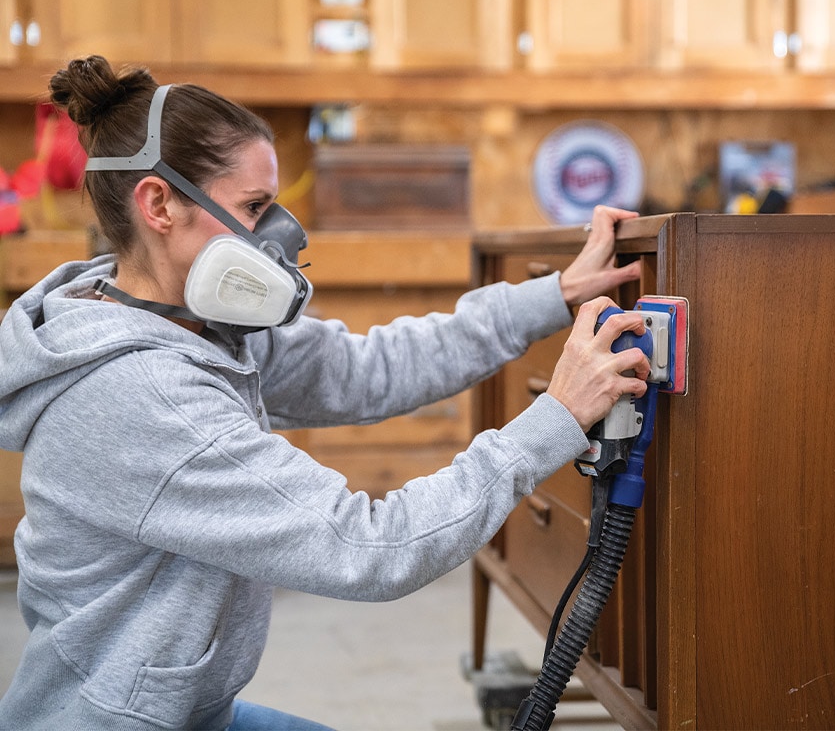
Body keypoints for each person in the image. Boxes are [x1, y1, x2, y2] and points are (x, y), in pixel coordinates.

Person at [0, 55, 651, 731]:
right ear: (159, 204)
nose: (278, 236)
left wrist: (551, 296)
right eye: (254, 208)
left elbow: (369, 368)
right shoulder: (143, 396)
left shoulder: (190, 321)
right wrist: (556, 417)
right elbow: (373, 549)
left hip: (189, 711)